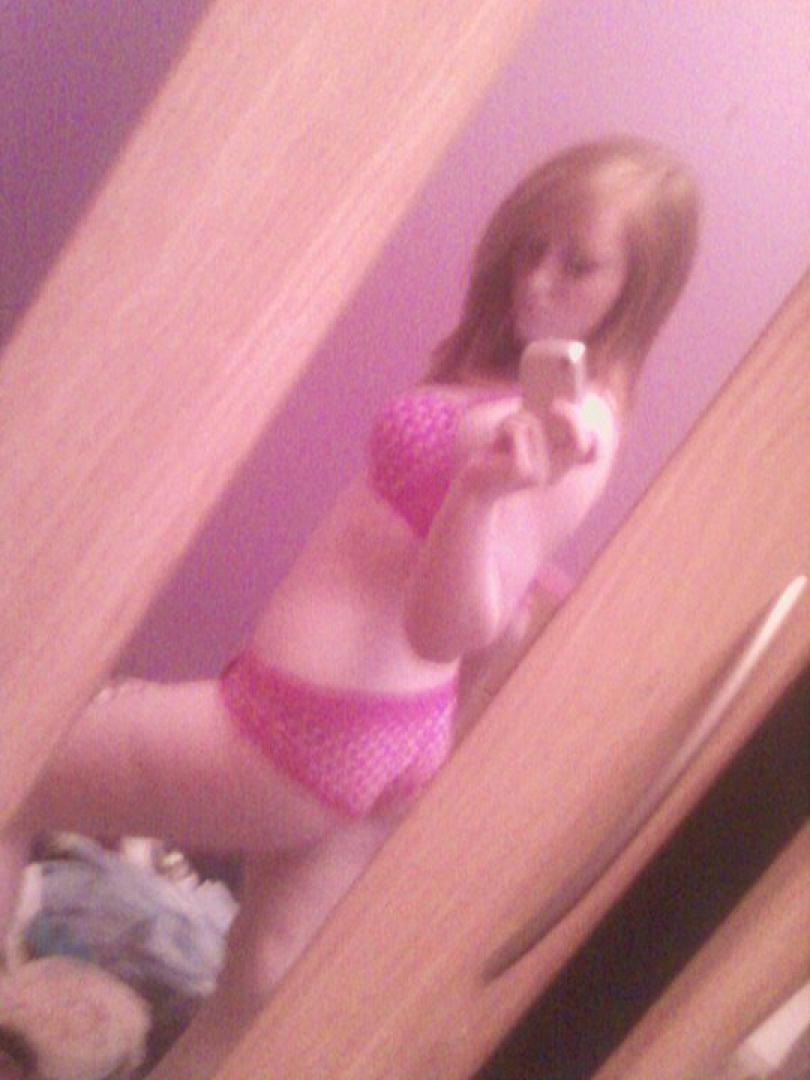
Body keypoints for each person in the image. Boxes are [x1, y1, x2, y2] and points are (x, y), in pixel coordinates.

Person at [0, 135, 699, 1076]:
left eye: (579, 264)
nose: (537, 279)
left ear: (637, 287)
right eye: (532, 245)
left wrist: (479, 496)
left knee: (18, 770)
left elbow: (453, 626)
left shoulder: (561, 430)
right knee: (259, 982)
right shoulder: (539, 383)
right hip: (377, 733)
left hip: (300, 730)